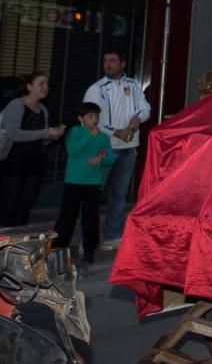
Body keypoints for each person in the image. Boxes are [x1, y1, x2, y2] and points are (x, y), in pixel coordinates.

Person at [83, 49, 151, 251]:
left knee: (119, 195)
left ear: (123, 63)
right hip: (105, 149)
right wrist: (115, 132)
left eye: (113, 61)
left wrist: (139, 117)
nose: (108, 64)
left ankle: (112, 236)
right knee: (92, 195)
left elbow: (145, 108)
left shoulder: (133, 86)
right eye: (106, 61)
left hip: (129, 149)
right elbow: (90, 119)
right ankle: (86, 238)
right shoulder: (96, 89)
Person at [53, 102, 117, 264]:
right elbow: (73, 150)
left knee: (91, 218)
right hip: (73, 181)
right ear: (81, 118)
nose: (95, 120)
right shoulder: (75, 132)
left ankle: (89, 250)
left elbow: (111, 158)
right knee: (67, 216)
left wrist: (101, 159)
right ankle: (58, 247)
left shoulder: (103, 137)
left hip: (93, 183)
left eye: (97, 116)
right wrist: (90, 136)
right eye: (90, 116)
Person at [0, 72, 65, 226]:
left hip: (34, 164)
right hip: (13, 163)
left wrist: (51, 136)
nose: (45, 87)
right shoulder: (16, 105)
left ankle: (18, 244)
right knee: (9, 205)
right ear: (29, 87)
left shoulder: (43, 109)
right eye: (41, 84)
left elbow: (41, 139)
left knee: (25, 206)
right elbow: (13, 134)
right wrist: (45, 132)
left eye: (47, 84)